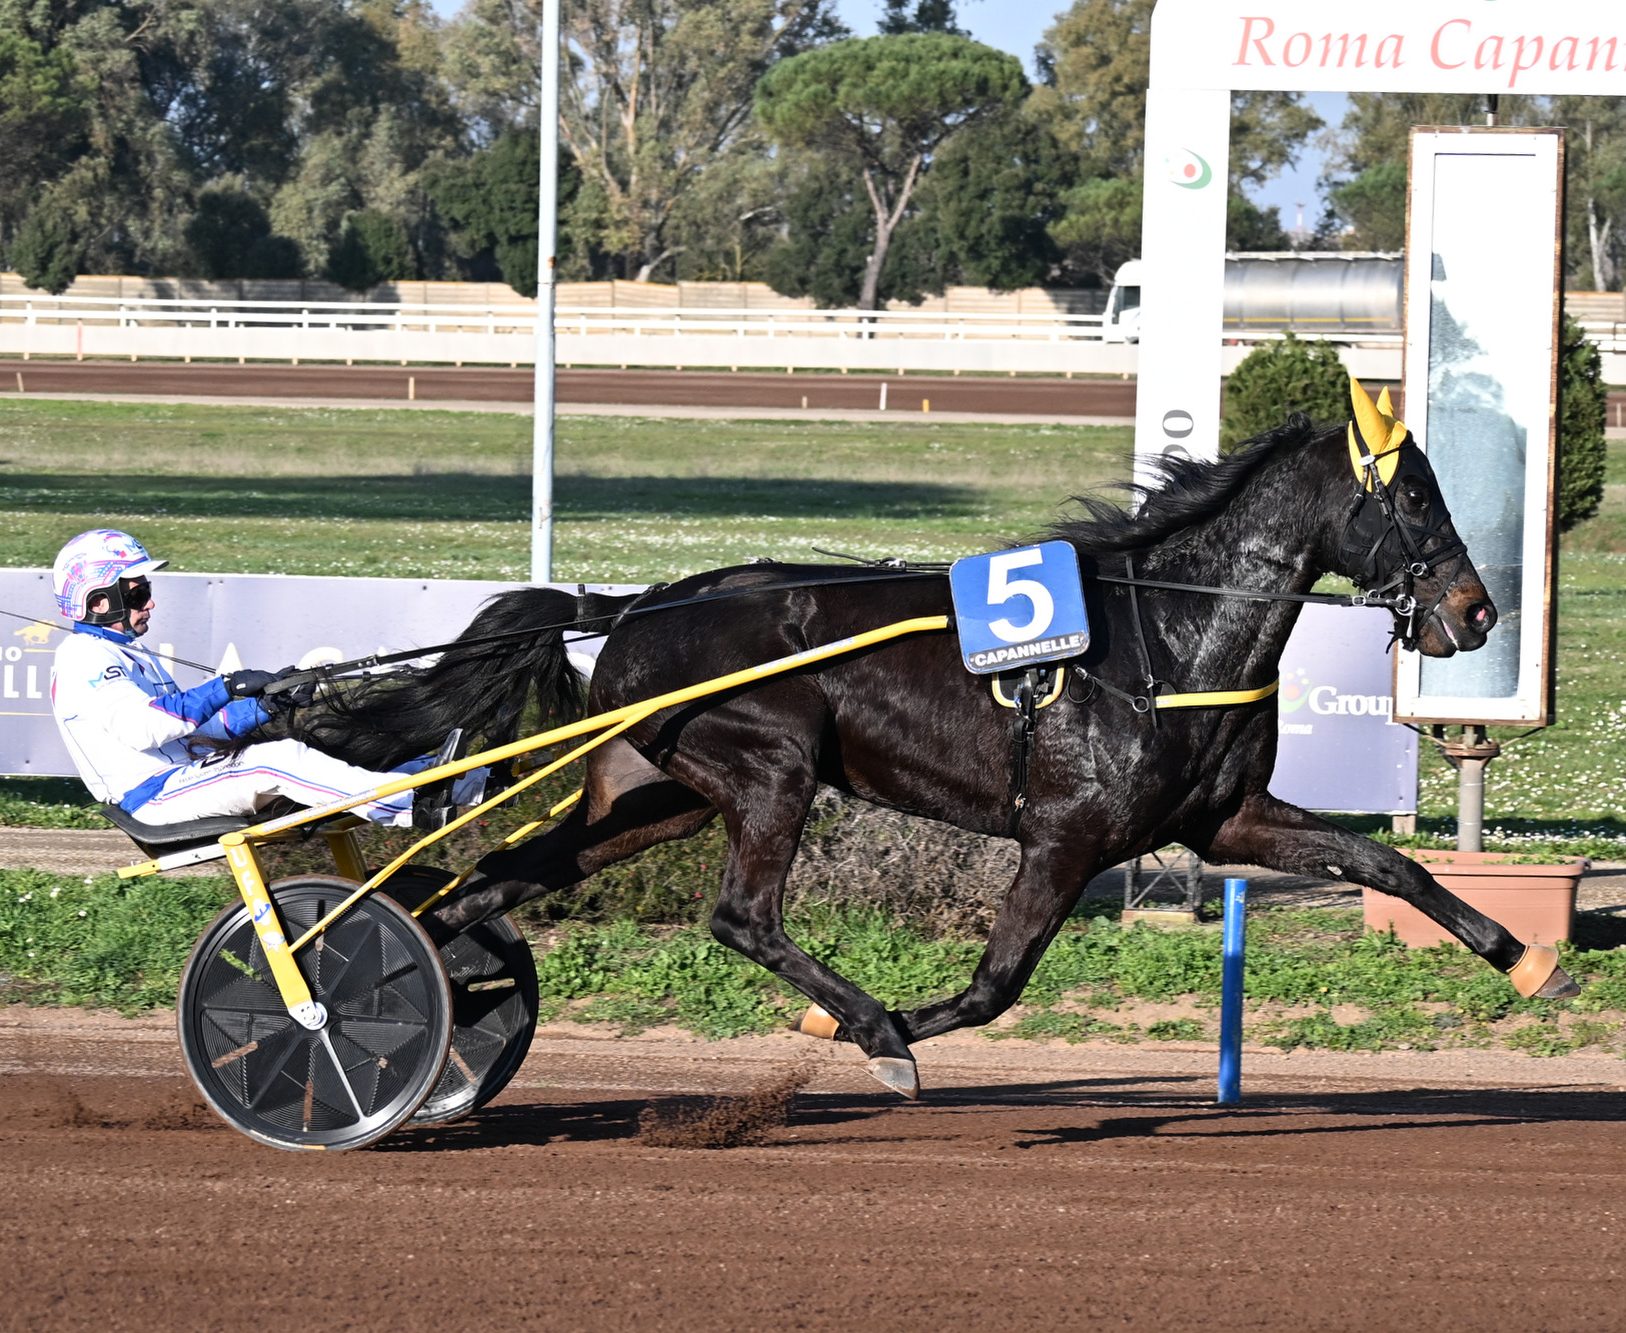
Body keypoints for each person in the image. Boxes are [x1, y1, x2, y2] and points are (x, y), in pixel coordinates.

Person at [48, 528, 481, 830]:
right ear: (100, 602)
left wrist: (267, 705)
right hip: (153, 799)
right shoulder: (83, 658)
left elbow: (195, 730)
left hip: (184, 776)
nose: (150, 603)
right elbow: (146, 727)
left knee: (317, 744)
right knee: (279, 759)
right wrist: (226, 686)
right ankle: (410, 804)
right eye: (138, 593)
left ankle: (445, 779)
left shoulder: (127, 653)